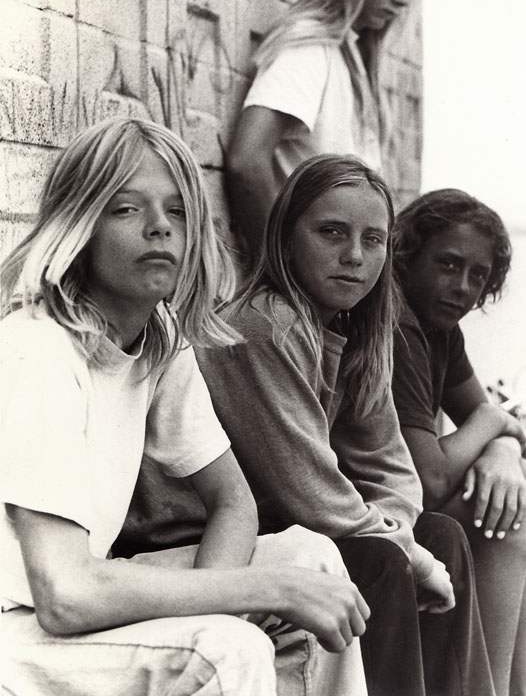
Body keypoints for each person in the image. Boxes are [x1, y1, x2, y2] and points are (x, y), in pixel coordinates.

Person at [0, 119, 370, 696]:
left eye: (177, 212)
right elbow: (65, 596)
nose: (158, 230)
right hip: (17, 630)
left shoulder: (157, 338)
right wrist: (251, 599)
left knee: (308, 557)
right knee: (229, 651)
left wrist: (222, 606)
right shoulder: (38, 349)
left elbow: (233, 502)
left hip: (70, 601)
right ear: (80, 227)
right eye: (126, 210)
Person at [197, 155, 497, 696]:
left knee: (440, 533)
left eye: (373, 239)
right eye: (331, 232)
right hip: (215, 537)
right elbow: (308, 490)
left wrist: (409, 539)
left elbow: (390, 466)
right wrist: (406, 552)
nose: (354, 257)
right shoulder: (265, 327)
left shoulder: (357, 328)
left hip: (295, 523)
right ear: (287, 237)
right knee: (380, 558)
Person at [391, 188, 526, 696]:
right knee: (508, 520)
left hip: (407, 501)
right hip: (372, 512)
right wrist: (494, 422)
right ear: (407, 256)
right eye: (448, 264)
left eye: (478, 276)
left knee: (513, 498)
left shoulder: (438, 328)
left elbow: (491, 421)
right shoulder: (399, 328)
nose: (462, 287)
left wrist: (504, 448)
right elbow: (430, 478)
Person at [227, 0, 422, 256]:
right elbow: (246, 162)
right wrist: (280, 265)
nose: (403, 0)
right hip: (308, 275)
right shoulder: (309, 48)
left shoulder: (350, 55)